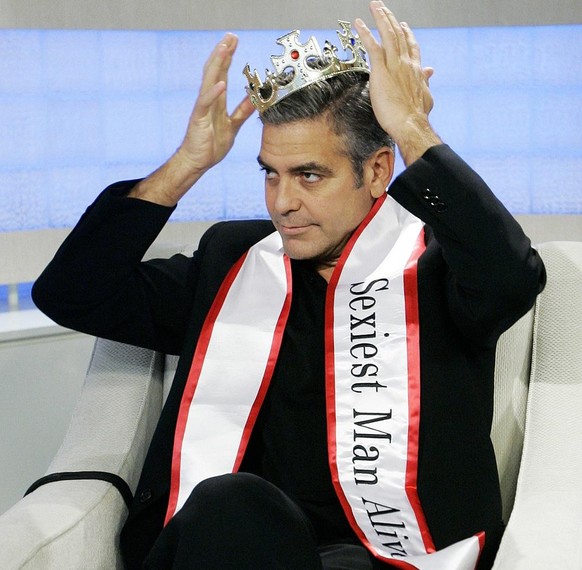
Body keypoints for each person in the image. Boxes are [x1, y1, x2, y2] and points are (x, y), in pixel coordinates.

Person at [32, 2, 545, 569]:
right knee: (234, 505)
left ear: (376, 171)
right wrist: (187, 163)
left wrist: (414, 132)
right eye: (269, 174)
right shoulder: (233, 261)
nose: (282, 202)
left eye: (309, 175)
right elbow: (72, 293)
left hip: (385, 558)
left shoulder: (438, 269)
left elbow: (512, 277)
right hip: (228, 545)